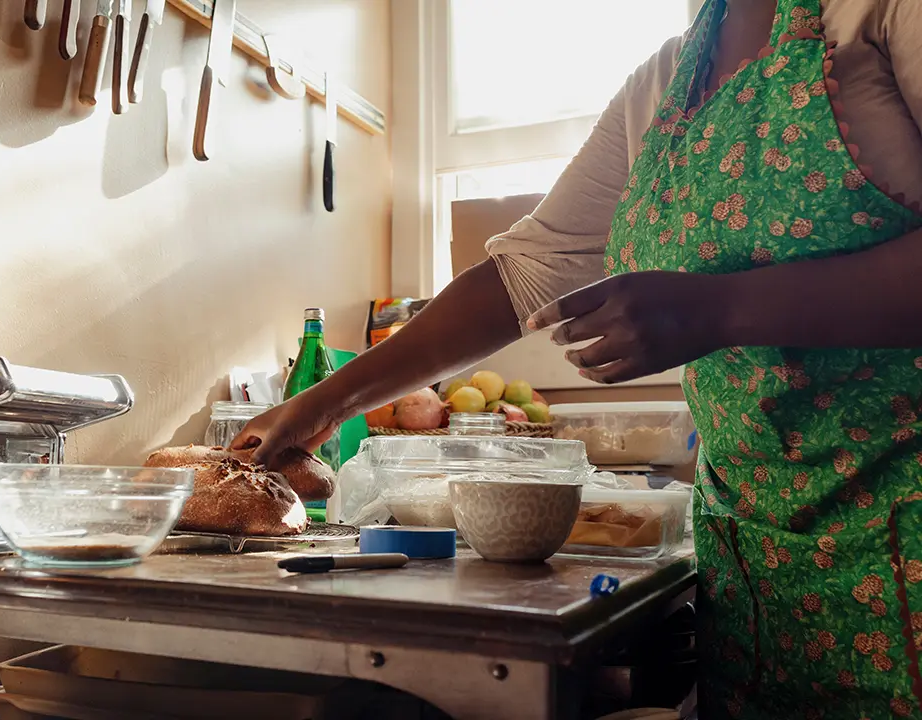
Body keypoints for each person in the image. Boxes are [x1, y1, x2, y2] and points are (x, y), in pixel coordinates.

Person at [234, 0, 922, 716]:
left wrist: (722, 309)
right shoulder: (666, 80)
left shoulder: (880, 14)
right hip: (755, 557)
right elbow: (525, 274)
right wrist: (322, 402)